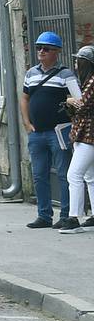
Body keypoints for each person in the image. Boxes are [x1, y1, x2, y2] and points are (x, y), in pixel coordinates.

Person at [21, 31, 80, 229]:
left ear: (56, 52)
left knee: (64, 173)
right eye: (39, 48)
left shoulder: (66, 74)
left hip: (58, 132)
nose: (41, 52)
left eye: (46, 49)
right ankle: (44, 215)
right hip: (36, 133)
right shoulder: (31, 73)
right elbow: (25, 98)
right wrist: (27, 123)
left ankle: (65, 215)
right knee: (39, 175)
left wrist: (70, 106)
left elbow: (78, 100)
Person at [63, 44, 94, 233]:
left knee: (73, 174)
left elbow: (82, 107)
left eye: (78, 61)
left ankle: (74, 218)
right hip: (85, 135)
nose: (75, 64)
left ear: (85, 63)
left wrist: (69, 101)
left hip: (88, 135)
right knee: (90, 177)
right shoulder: (88, 82)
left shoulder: (92, 82)